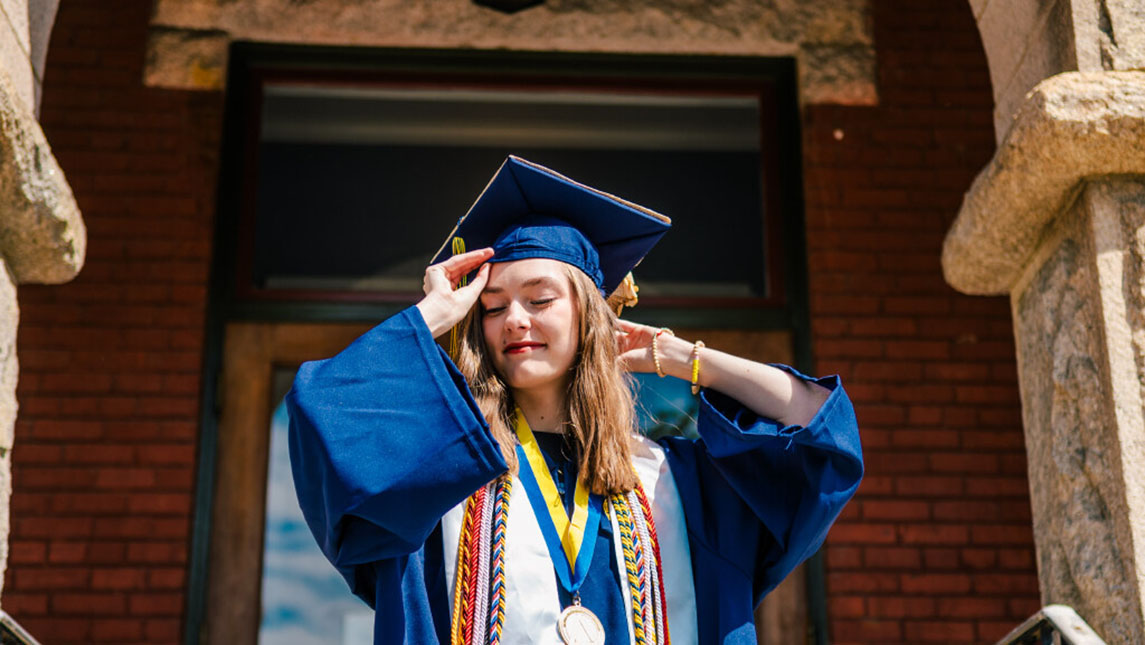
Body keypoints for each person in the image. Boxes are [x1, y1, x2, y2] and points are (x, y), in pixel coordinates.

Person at [287, 156, 863, 645]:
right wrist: (434, 316)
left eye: (539, 299)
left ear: (589, 315)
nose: (514, 319)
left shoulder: (674, 483)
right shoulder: (435, 479)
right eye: (491, 307)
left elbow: (820, 436)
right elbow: (323, 418)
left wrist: (686, 358)